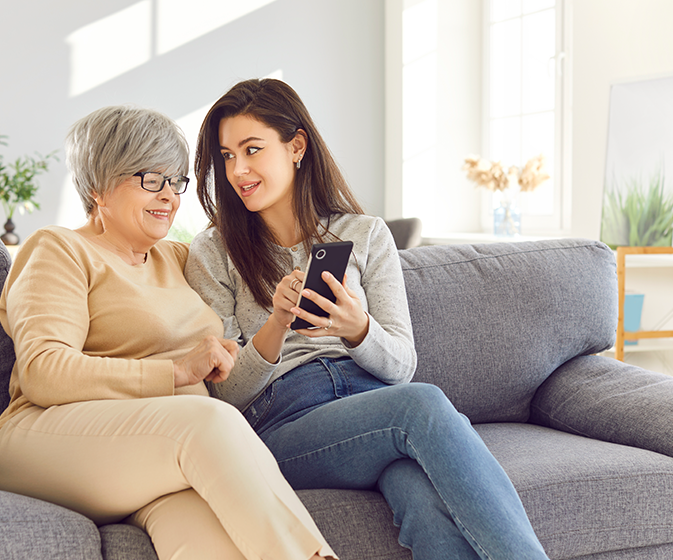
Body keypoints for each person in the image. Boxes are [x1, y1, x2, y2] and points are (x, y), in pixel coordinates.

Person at [185, 78, 550, 560]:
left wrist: (357, 328)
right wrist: (275, 323)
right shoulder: (212, 252)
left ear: (296, 146)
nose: (238, 170)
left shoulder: (366, 234)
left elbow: (401, 366)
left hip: (373, 404)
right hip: (283, 421)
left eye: (252, 150)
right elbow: (226, 394)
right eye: (227, 156)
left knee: (418, 490)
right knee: (422, 407)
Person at [0, 105, 337, 560]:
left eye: (176, 181)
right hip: (45, 441)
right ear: (98, 187)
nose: (169, 195)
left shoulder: (178, 258)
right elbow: (44, 372)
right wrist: (176, 371)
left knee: (214, 541)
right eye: (151, 179)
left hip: (155, 451)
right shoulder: (60, 248)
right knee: (209, 423)